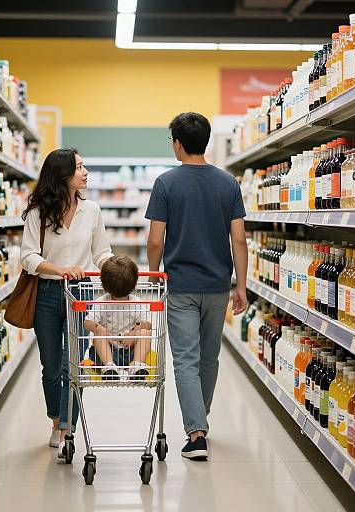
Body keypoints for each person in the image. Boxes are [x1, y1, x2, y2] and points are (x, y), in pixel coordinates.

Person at [145, 112, 248, 461]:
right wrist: (242, 286)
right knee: (209, 357)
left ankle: (196, 431)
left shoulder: (165, 183)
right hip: (218, 285)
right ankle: (199, 419)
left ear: (178, 143)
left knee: (185, 360)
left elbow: (156, 240)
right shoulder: (228, 183)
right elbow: (239, 240)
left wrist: (154, 274)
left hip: (181, 285)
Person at [20, 148, 113, 458]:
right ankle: (57, 417)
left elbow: (101, 252)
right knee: (51, 365)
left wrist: (116, 269)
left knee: (73, 362)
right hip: (47, 293)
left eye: (84, 165)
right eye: (78, 167)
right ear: (62, 175)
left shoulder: (93, 211)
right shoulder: (38, 213)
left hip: (82, 293)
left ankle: (67, 425)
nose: (85, 172)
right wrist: (59, 269)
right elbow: (28, 256)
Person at [84, 255, 151, 380]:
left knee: (144, 332)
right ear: (134, 283)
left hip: (131, 352)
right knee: (98, 332)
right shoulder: (101, 303)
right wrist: (100, 329)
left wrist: (134, 333)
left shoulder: (136, 303)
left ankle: (136, 366)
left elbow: (147, 324)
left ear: (104, 284)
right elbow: (87, 323)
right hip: (105, 353)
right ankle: (109, 368)